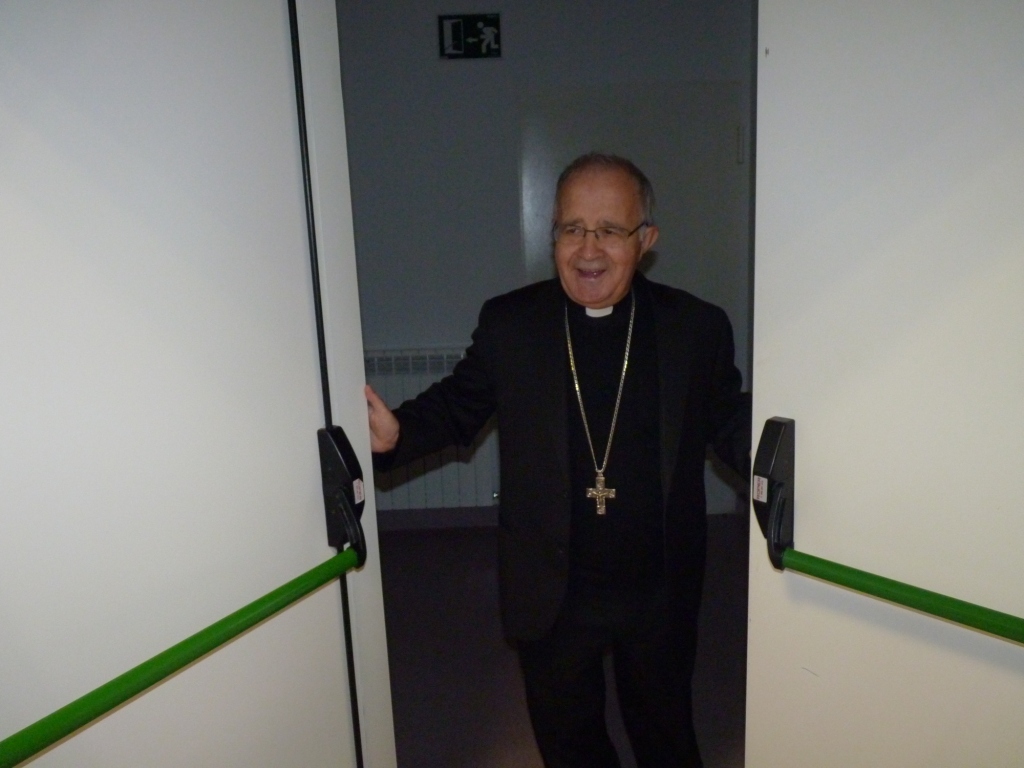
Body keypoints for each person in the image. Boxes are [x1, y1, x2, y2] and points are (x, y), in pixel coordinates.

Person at [366, 152, 750, 768]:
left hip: (656, 584)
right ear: (554, 237)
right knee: (569, 744)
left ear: (646, 240)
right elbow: (459, 405)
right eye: (572, 228)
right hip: (553, 586)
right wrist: (397, 434)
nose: (588, 249)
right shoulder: (512, 325)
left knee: (667, 737)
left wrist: (788, 463)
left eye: (610, 230)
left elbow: (729, 421)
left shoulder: (695, 329)